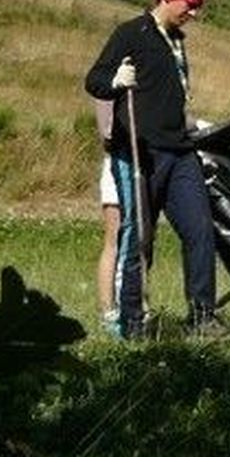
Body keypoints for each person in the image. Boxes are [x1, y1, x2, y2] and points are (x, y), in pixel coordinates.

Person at [85, 0, 218, 337]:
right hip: (140, 153)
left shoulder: (176, 40)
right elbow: (94, 80)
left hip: (180, 152)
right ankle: (132, 322)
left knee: (200, 230)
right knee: (139, 237)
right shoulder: (131, 33)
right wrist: (114, 81)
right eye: (189, 4)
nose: (194, 13)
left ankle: (203, 316)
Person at [92, 98, 122, 333]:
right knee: (114, 239)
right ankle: (107, 309)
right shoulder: (108, 82)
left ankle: (132, 304)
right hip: (118, 165)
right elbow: (106, 135)